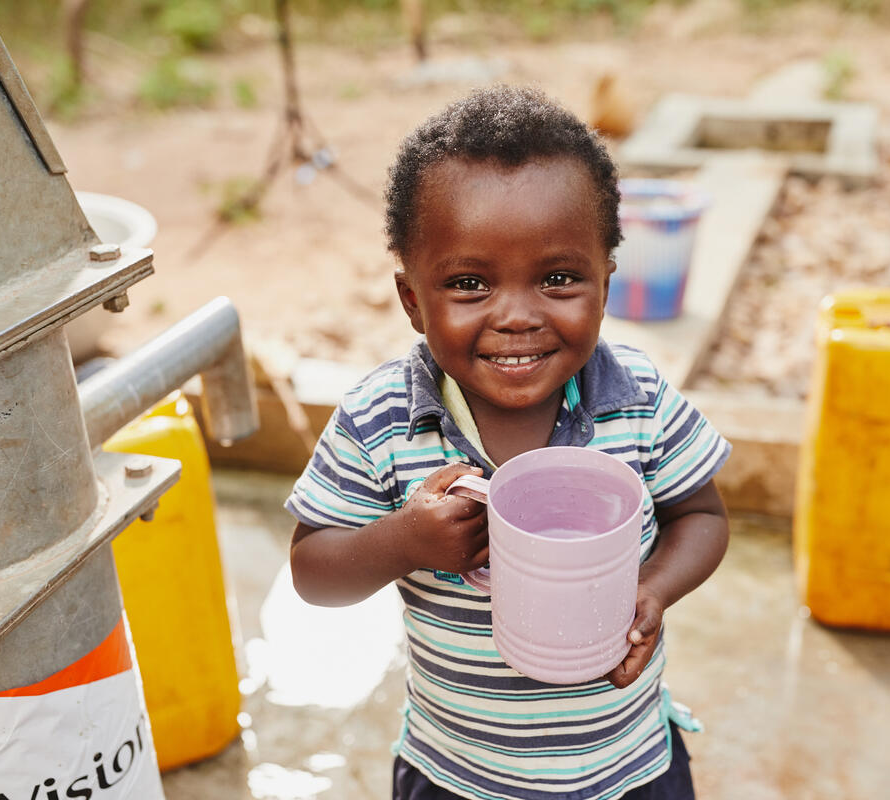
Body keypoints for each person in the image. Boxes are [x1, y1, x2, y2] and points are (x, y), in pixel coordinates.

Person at [285, 85, 731, 800]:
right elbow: (312, 572)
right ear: (412, 301)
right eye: (469, 283)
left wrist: (654, 589)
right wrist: (402, 542)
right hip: (459, 777)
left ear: (605, 281)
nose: (517, 316)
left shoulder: (638, 401)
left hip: (627, 771)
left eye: (558, 279)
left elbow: (701, 517)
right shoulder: (382, 421)